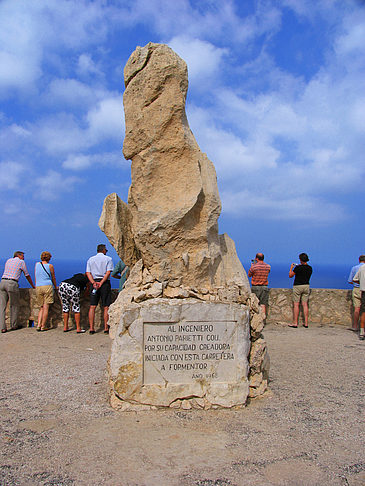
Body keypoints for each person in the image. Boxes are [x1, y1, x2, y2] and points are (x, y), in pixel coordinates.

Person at [0, 251, 35, 333]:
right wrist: (33, 285)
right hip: (12, 283)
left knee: (2, 306)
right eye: (23, 256)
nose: (24, 258)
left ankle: (2, 327)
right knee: (14, 305)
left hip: (2, 282)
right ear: (18, 256)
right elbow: (27, 274)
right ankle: (13, 325)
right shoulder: (21, 262)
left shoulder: (8, 260)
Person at [86, 244, 113, 334]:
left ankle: (91, 328)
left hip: (94, 283)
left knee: (92, 306)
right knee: (106, 306)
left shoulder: (91, 259)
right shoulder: (108, 259)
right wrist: (101, 283)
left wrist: (93, 282)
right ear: (104, 250)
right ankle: (106, 328)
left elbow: (88, 273)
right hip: (104, 283)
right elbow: (108, 272)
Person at [289, 253, 312, 328]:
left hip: (298, 286)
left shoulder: (298, 268)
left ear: (300, 259)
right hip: (306, 285)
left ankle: (295, 323)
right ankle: (306, 323)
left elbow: (290, 275)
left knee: (296, 304)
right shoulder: (310, 268)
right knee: (305, 304)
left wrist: (291, 267)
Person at [35, 251, 57, 331]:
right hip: (47, 286)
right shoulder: (50, 266)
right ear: (49, 258)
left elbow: (36, 275)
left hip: (38, 286)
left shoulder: (37, 264)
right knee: (46, 307)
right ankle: (43, 326)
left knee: (41, 307)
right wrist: (55, 286)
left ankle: (38, 325)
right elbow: (53, 277)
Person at [248, 253, 271, 319]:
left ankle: (255, 320)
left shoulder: (254, 267)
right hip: (264, 287)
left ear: (256, 258)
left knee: (255, 304)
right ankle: (262, 320)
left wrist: (252, 266)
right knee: (263, 304)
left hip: (255, 287)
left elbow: (249, 274)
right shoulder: (268, 266)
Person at [347, 255, 365, 332]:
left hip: (357, 289)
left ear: (359, 260)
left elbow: (351, 280)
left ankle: (355, 326)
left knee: (357, 309)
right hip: (364, 289)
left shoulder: (354, 268)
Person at [353, 264, 365, 340]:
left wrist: (362, 283)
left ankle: (362, 331)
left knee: (363, 312)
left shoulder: (362, 267)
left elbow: (355, 279)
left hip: (364, 292)